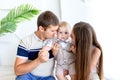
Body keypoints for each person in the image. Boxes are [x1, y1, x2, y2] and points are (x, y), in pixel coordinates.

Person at [14, 11, 59, 80]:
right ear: (41, 29)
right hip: (29, 76)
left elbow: (63, 61)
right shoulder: (26, 41)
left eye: (56, 30)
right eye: (52, 31)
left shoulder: (56, 40)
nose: (55, 34)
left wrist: (55, 54)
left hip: (48, 77)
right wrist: (38, 60)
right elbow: (17, 71)